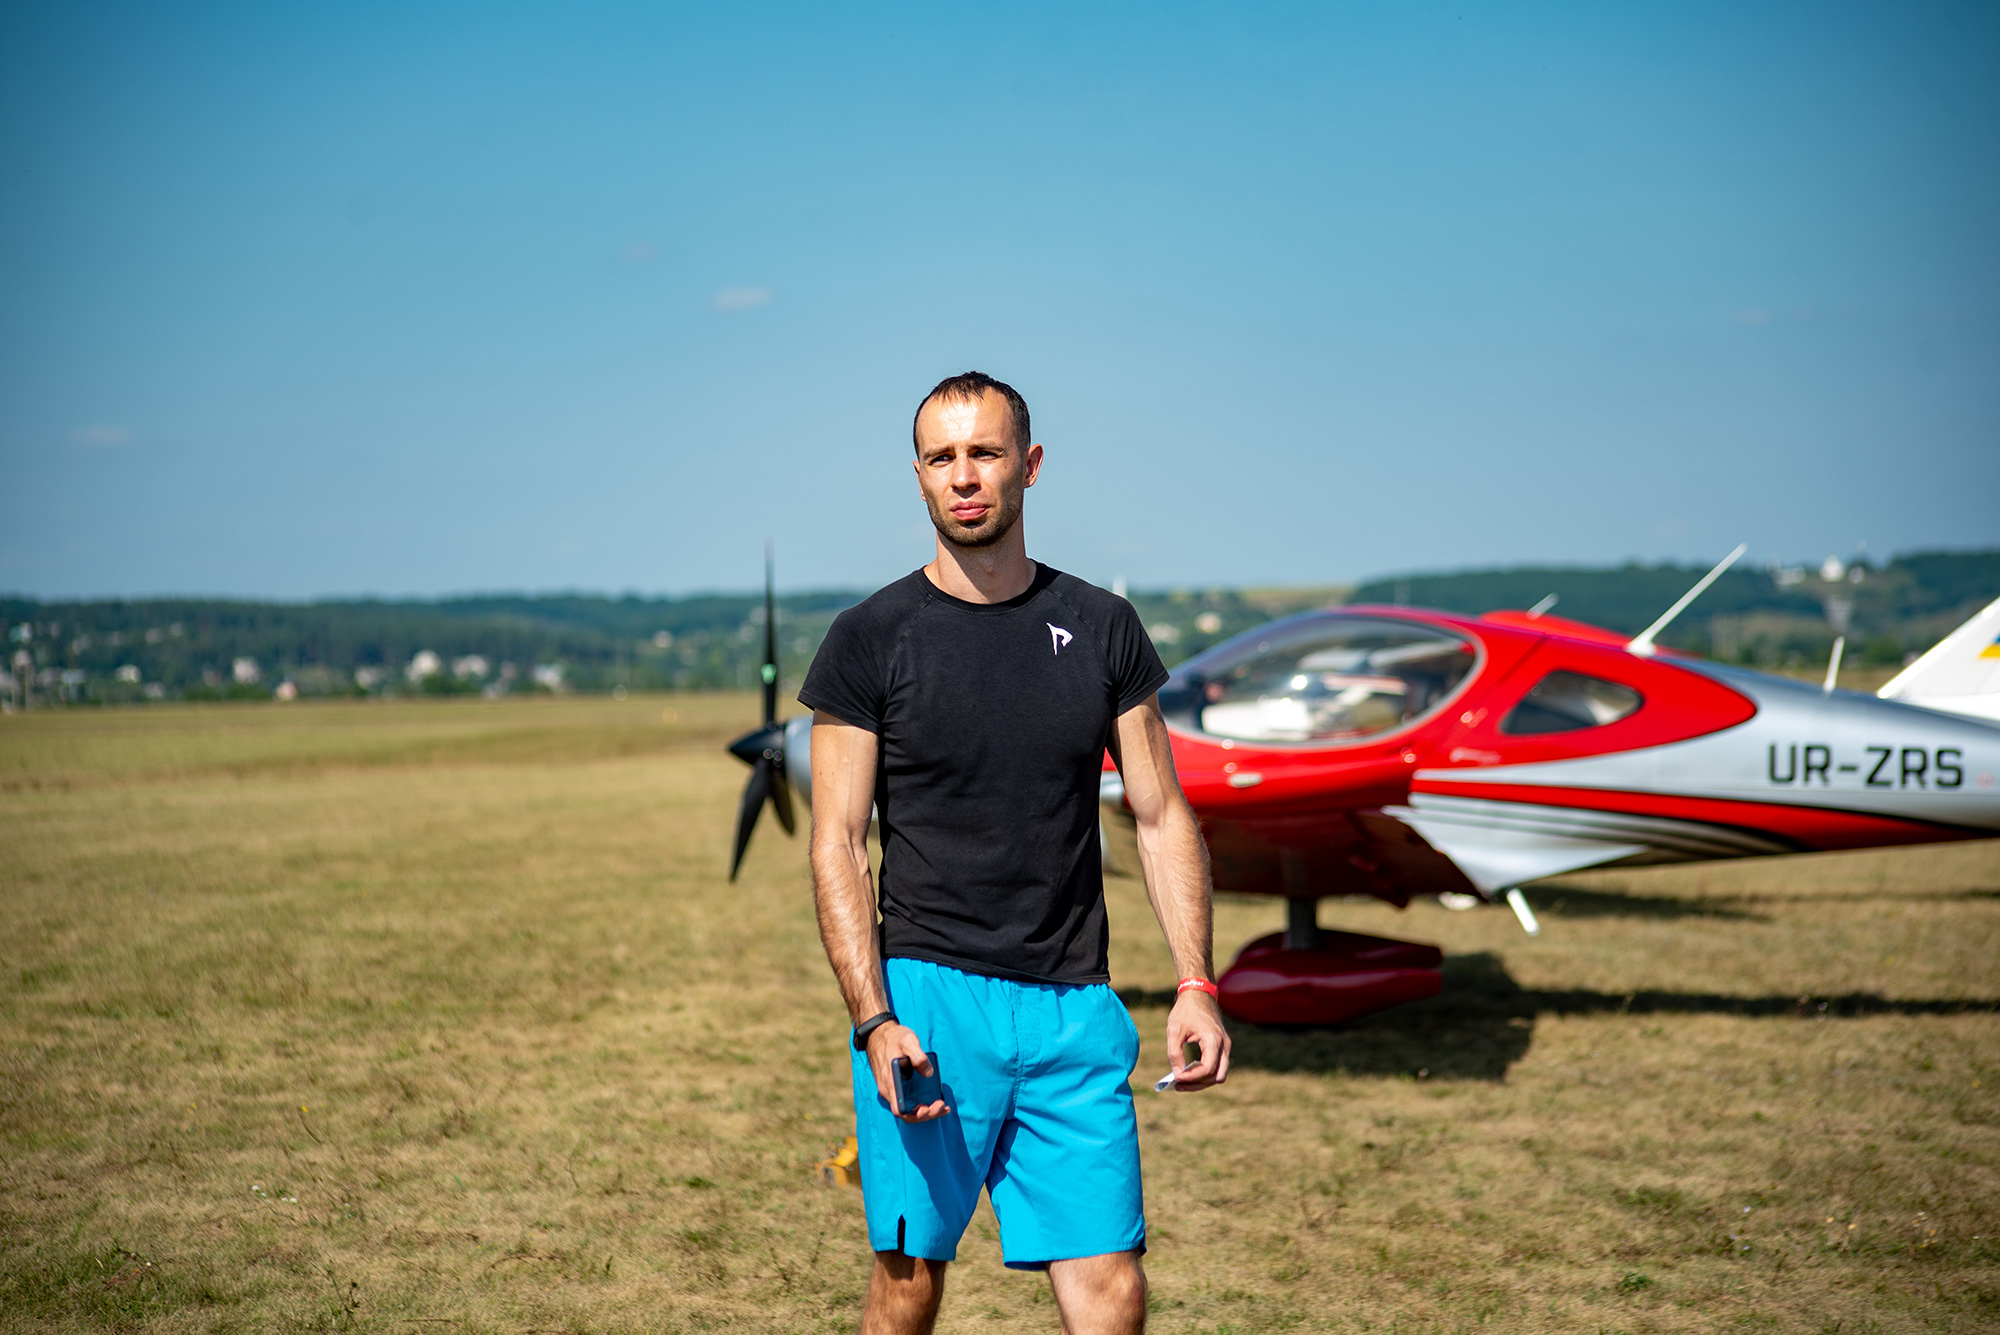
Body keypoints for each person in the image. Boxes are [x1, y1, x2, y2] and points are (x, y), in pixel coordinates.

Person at [800, 371, 1230, 1335]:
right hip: (929, 1001)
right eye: (941, 457)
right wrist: (875, 1020)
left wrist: (1195, 982)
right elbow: (838, 843)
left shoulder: (1104, 628)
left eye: (985, 453)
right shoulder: (868, 639)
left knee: (1113, 1286)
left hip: (1075, 1005)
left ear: (1028, 466)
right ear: (918, 475)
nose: (964, 476)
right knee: (908, 1282)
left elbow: (1161, 813)